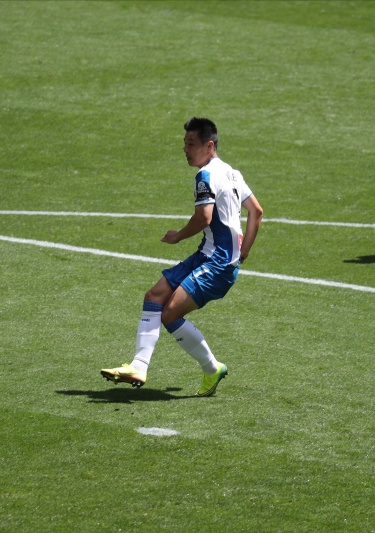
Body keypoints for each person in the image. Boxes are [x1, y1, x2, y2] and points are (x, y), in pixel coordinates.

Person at [101, 117, 263, 396]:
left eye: (191, 144)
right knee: (154, 296)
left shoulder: (206, 176)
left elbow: (204, 217)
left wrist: (178, 236)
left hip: (217, 264)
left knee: (170, 313)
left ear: (209, 145)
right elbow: (256, 212)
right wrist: (244, 251)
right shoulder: (232, 173)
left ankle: (212, 368)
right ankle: (139, 365)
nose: (185, 150)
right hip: (208, 256)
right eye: (184, 144)